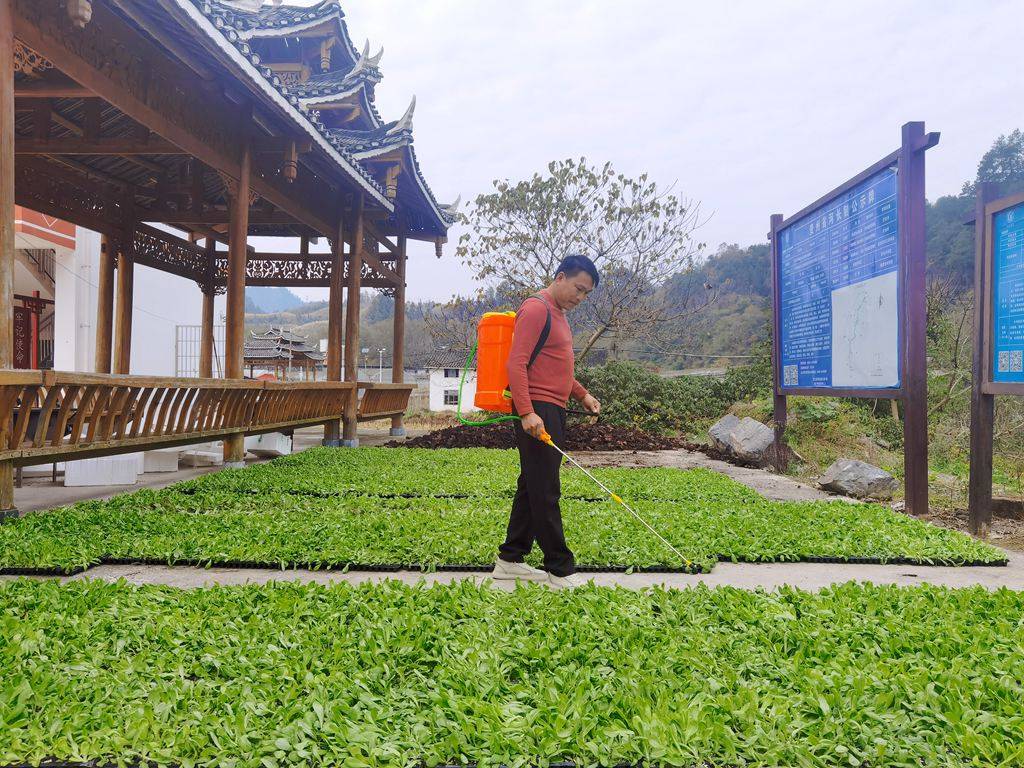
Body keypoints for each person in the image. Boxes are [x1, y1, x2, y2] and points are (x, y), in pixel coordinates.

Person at [492, 255, 602, 588]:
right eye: (578, 288)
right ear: (560, 277)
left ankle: (510, 559)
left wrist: (582, 394)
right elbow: (517, 363)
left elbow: (557, 368)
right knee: (546, 489)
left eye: (586, 294)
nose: (580, 298)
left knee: (532, 485)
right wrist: (526, 412)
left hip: (551, 407)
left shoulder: (560, 315)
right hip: (537, 408)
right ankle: (559, 568)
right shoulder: (537, 308)